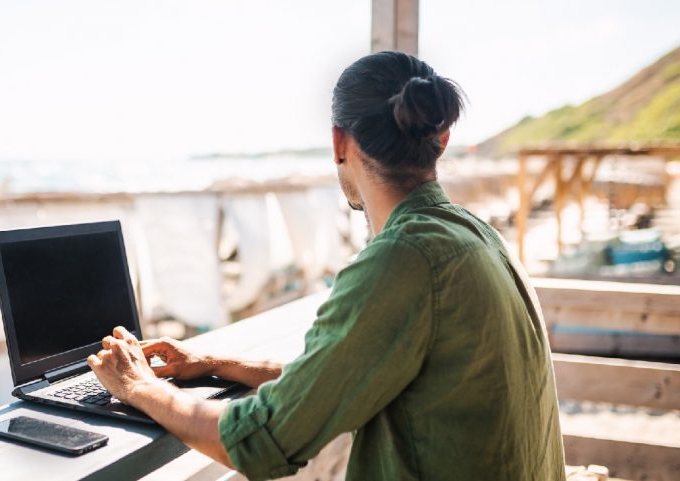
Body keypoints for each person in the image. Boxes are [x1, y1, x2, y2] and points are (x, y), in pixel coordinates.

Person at [87, 51, 566, 481]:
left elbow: (263, 442)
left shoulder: (403, 260)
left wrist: (138, 386)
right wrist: (213, 365)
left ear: (340, 142)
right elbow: (334, 377)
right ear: (441, 139)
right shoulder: (476, 236)